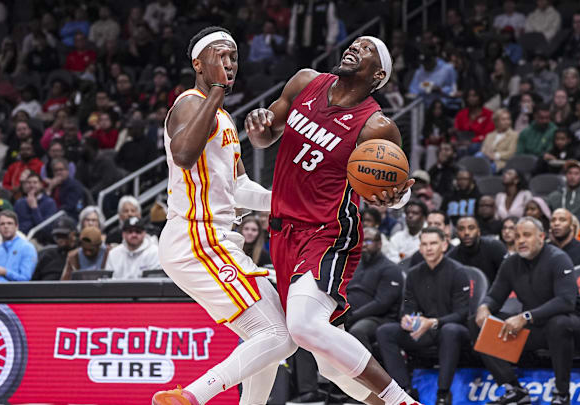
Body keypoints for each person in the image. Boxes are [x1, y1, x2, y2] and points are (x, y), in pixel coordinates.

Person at [245, 35, 421, 404]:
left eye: (369, 49)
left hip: (327, 231)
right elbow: (267, 135)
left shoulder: (376, 126)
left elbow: (395, 185)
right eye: (356, 43)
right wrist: (259, 129)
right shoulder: (305, 81)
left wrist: (399, 196)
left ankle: (400, 400)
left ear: (378, 74)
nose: (356, 47)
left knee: (303, 325)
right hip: (281, 233)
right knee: (329, 362)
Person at [153, 27, 297, 405]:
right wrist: (216, 91)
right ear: (198, 64)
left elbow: (239, 190)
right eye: (221, 55)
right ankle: (189, 398)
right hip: (195, 237)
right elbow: (183, 155)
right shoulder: (190, 103)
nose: (230, 63)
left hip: (216, 238)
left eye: (233, 56)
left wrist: (291, 202)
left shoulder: (225, 119)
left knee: (276, 331)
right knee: (278, 337)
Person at [473, 217, 580, 405]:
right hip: (536, 327)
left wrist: (525, 316)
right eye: (517, 236)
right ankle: (513, 388)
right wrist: (484, 308)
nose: (521, 240)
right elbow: (495, 297)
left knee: (558, 323)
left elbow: (566, 301)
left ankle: (562, 393)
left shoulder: (558, 258)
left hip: (576, 326)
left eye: (527, 235)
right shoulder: (511, 263)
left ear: (541, 237)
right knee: (477, 323)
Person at [377, 227, 470, 405]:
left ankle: (443, 393)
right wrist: (406, 319)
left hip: (453, 330)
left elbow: (462, 313)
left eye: (433, 243)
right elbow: (408, 307)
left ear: (444, 245)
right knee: (385, 331)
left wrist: (434, 322)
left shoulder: (458, 271)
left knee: (449, 331)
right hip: (424, 331)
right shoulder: (413, 274)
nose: (428, 248)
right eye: (424, 244)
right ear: (419, 248)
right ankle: (405, 390)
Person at [346, 227, 403, 352]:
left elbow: (381, 304)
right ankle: (310, 372)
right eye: (361, 241)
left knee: (358, 331)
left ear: (379, 244)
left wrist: (351, 316)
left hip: (378, 318)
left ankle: (368, 372)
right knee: (308, 329)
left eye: (368, 241)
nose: (364, 245)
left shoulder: (390, 269)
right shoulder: (354, 265)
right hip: (350, 314)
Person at [448, 216, 507, 283]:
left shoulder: (495, 247)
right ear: (457, 233)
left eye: (471, 228)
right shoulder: (451, 257)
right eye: (461, 229)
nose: (466, 232)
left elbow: (508, 275)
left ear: (479, 231)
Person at [0, 211, 38, 282]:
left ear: (16, 226)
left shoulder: (27, 248)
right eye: (2, 224)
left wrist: (5, 272)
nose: (6, 226)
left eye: (9, 223)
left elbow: (26, 279)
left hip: (19, 291)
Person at [32, 216, 77, 281]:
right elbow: (33, 281)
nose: (60, 239)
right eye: (57, 236)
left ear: (73, 235)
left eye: (63, 235)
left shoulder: (80, 255)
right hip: (44, 289)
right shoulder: (46, 255)